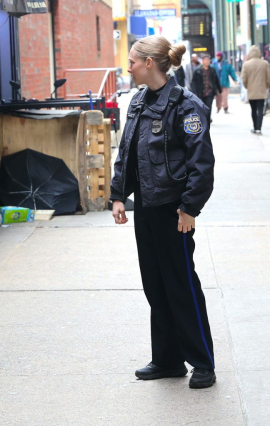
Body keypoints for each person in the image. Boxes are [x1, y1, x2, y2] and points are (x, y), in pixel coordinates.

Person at [110, 35, 216, 389]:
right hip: (147, 208)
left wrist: (189, 208)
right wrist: (119, 195)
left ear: (149, 63)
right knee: (155, 285)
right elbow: (127, 151)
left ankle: (202, 362)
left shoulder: (186, 106)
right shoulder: (138, 101)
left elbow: (202, 164)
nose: (128, 67)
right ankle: (168, 359)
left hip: (174, 211)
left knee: (182, 285)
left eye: (132, 62)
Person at [241, 45, 270, 135]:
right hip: (261, 90)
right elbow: (268, 77)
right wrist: (266, 86)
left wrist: (247, 86)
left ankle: (254, 127)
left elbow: (243, 78)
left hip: (251, 91)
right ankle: (259, 128)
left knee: (253, 109)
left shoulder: (246, 64)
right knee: (260, 109)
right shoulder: (265, 63)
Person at [190, 54, 221, 123]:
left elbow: (216, 80)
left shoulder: (212, 70)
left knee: (209, 106)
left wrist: (219, 89)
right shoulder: (198, 71)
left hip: (210, 92)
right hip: (200, 92)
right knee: (201, 107)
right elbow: (193, 81)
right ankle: (203, 118)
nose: (207, 61)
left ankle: (208, 118)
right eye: (205, 60)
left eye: (208, 60)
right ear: (202, 61)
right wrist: (194, 91)